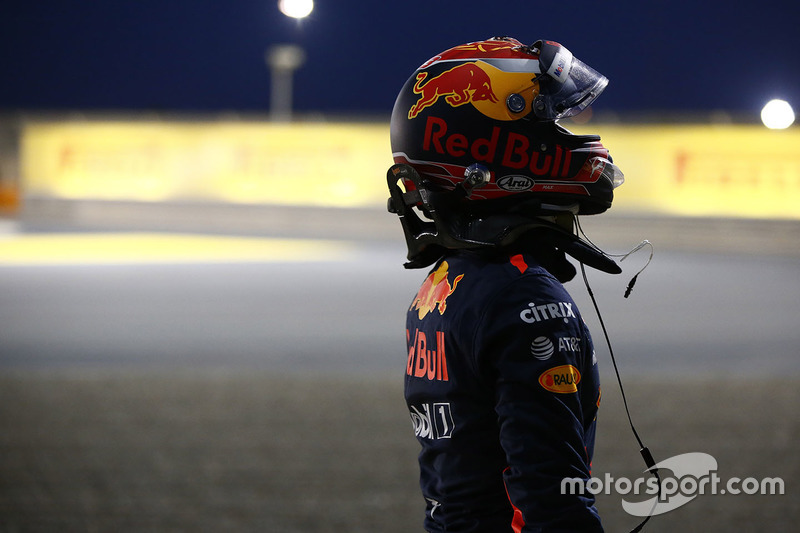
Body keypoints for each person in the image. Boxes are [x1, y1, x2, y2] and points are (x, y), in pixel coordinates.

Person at [386, 36, 626, 532]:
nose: (565, 136)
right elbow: (552, 502)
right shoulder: (524, 298)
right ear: (493, 145)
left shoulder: (445, 283)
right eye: (546, 119)